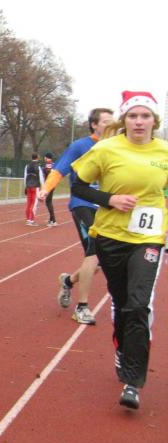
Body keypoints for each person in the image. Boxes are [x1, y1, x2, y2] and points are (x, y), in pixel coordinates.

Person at [70, 91, 168, 410]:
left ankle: (132, 382)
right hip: (111, 237)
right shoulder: (106, 148)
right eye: (133, 116)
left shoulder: (164, 152)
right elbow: (77, 185)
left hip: (148, 238)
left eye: (145, 116)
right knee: (123, 303)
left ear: (155, 120)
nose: (139, 121)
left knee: (139, 305)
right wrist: (110, 199)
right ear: (124, 120)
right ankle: (123, 349)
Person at [38, 108, 114, 325]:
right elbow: (59, 170)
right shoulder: (80, 146)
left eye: (113, 121)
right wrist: (46, 189)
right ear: (94, 125)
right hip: (83, 204)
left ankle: (68, 281)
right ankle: (82, 307)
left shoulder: (117, 147)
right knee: (94, 249)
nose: (111, 125)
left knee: (101, 261)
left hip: (106, 207)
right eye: (106, 122)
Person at [23, 153, 42, 225]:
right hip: (35, 186)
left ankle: (28, 219)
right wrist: (43, 188)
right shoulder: (38, 166)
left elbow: (25, 177)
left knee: (28, 203)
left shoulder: (27, 166)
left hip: (28, 186)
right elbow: (41, 178)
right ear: (37, 157)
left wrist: (25, 186)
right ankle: (31, 220)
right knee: (34, 203)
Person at [42, 152, 57, 226]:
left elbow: (48, 172)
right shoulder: (54, 164)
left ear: (47, 157)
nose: (44, 158)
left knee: (48, 202)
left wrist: (43, 170)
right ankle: (51, 220)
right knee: (49, 201)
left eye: (45, 157)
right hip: (52, 184)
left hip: (49, 185)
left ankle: (53, 221)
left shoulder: (49, 164)